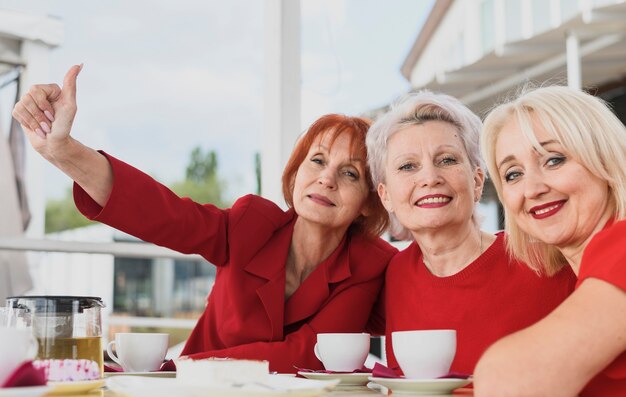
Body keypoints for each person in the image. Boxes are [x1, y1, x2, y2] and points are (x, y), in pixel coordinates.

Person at [12, 64, 397, 373]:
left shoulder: (369, 261)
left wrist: (186, 365)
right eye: (317, 161)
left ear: (369, 201)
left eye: (350, 173)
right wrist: (62, 150)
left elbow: (313, 352)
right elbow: (163, 214)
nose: (326, 179)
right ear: (296, 175)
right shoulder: (252, 223)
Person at [365, 91, 575, 376]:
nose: (429, 178)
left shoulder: (546, 257)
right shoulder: (392, 275)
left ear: (477, 181)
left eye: (447, 160)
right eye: (407, 166)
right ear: (385, 195)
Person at [474, 85, 626, 397]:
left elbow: (504, 387)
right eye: (513, 174)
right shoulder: (581, 277)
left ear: (604, 158)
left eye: (554, 160)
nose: (533, 188)